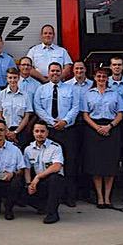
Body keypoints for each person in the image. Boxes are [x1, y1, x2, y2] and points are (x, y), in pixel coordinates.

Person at [33, 62, 81, 207]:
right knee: (50, 164)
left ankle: (69, 196)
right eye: (52, 71)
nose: (55, 73)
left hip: (67, 130)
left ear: (62, 73)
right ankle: (53, 196)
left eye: (57, 71)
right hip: (49, 131)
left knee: (70, 163)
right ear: (48, 73)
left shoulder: (71, 89)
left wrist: (65, 121)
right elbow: (38, 108)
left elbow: (75, 107)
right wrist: (51, 121)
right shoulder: (41, 90)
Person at [82, 67, 123, 208]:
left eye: (104, 77)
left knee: (110, 165)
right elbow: (85, 115)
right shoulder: (88, 94)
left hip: (111, 129)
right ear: (95, 78)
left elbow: (120, 113)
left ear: (108, 78)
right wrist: (97, 127)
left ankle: (108, 197)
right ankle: (100, 197)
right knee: (97, 165)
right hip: (93, 130)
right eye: (99, 76)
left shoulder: (115, 94)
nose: (101, 79)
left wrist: (109, 126)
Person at [23, 121, 64, 223]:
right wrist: (29, 184)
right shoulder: (28, 149)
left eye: (42, 131)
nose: (39, 134)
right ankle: (41, 206)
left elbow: (57, 166)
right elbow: (27, 168)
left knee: (55, 179)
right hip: (39, 182)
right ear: (33, 133)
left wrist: (38, 177)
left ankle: (53, 214)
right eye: (37, 131)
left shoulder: (55, 147)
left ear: (47, 133)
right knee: (19, 186)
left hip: (52, 180)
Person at [0, 68, 34, 145]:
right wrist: (7, 131)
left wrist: (16, 132)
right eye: (10, 78)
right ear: (7, 78)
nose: (12, 80)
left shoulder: (25, 95)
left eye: (15, 77)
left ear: (19, 78)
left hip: (21, 130)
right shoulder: (1, 94)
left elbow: (26, 116)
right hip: (5, 131)